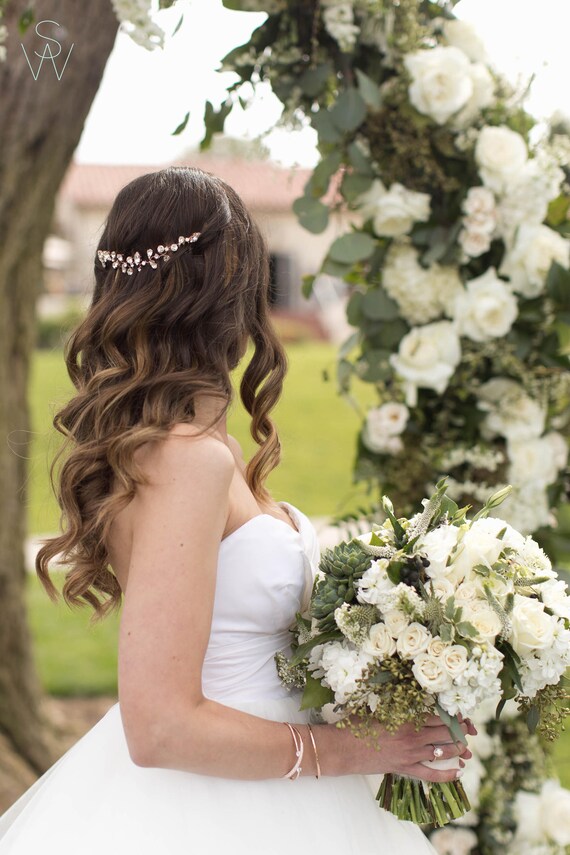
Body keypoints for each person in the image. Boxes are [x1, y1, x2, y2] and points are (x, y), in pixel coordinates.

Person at [0, 167, 474, 854]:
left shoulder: (188, 445)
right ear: (227, 289)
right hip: (224, 807)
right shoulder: (188, 457)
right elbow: (161, 725)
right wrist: (352, 750)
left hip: (270, 772)